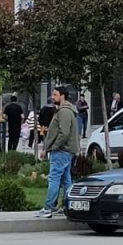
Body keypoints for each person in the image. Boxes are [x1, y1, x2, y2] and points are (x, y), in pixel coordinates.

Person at [36, 87, 79, 218]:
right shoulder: (63, 111)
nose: (52, 97)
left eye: (55, 94)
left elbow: (63, 133)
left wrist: (53, 147)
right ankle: (67, 205)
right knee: (66, 180)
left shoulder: (64, 112)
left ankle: (49, 207)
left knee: (54, 178)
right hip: (65, 150)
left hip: (61, 150)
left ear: (63, 96)